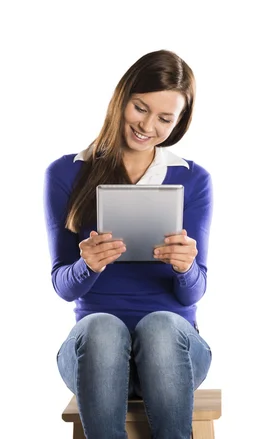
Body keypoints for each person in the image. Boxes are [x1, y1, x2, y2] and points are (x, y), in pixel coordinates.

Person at [43, 50, 213, 439]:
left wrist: (186, 268)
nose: (147, 126)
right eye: (140, 108)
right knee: (101, 326)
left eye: (165, 119)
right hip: (97, 359)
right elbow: (62, 286)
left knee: (161, 326)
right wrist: (88, 265)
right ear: (122, 98)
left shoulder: (193, 179)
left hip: (175, 354)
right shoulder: (66, 172)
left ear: (179, 123)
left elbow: (194, 293)